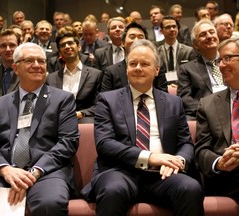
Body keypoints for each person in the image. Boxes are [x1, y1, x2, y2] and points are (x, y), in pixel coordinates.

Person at [82, 39, 204, 216]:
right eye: (133, 63)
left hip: (163, 174)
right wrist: (151, 157)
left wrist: (178, 161)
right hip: (120, 171)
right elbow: (105, 143)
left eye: (145, 64)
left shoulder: (173, 102)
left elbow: (185, 142)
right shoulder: (108, 99)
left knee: (190, 188)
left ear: (156, 70)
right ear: (126, 69)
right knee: (112, 190)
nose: (138, 68)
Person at [0, 42, 79, 215]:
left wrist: (34, 172)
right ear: (16, 68)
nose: (37, 65)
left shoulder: (63, 99)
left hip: (46, 172)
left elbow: (68, 142)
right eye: (30, 60)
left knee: (50, 203)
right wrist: (5, 170)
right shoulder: (0, 104)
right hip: (5, 172)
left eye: (41, 61)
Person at [194, 36, 239, 215]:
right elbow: (201, 150)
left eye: (227, 58)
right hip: (231, 174)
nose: (221, 65)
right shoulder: (207, 104)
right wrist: (219, 163)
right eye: (219, 60)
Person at [46, 31, 103, 123]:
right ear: (60, 52)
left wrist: (81, 113)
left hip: (85, 119)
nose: (67, 46)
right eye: (63, 45)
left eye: (70, 43)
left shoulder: (96, 74)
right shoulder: (51, 78)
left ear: (79, 46)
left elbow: (100, 104)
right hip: (58, 121)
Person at [177, 19, 225, 120]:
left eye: (212, 32)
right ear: (196, 45)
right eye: (203, 34)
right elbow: (185, 99)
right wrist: (209, 110)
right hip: (206, 115)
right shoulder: (187, 69)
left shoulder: (230, 61)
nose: (209, 36)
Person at [101, 22, 167, 93]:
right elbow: (105, 100)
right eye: (132, 37)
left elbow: (163, 96)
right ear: (123, 43)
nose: (136, 41)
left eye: (141, 37)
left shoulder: (156, 68)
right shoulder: (111, 72)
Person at [158, 16, 196, 86]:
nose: (172, 29)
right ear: (161, 31)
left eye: (174, 26)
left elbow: (193, 74)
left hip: (184, 87)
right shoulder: (157, 53)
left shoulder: (189, 51)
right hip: (163, 88)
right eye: (168, 27)